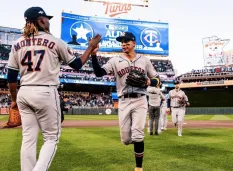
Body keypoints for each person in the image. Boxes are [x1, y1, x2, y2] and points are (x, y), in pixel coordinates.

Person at [6, 6, 101, 171]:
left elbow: (11, 77)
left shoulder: (17, 43)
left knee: (28, 138)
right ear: (41, 20)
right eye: (46, 18)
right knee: (51, 138)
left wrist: (14, 100)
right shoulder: (55, 41)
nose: (48, 21)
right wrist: (90, 47)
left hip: (24, 92)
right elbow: (77, 64)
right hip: (45, 91)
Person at [91, 32, 160, 171]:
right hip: (123, 100)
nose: (123, 44)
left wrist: (148, 81)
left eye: (126, 41)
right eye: (122, 42)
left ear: (134, 43)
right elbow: (99, 73)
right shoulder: (115, 60)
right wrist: (93, 55)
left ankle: (138, 168)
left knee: (138, 133)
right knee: (126, 139)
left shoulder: (144, 60)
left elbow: (158, 81)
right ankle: (133, 142)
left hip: (140, 99)